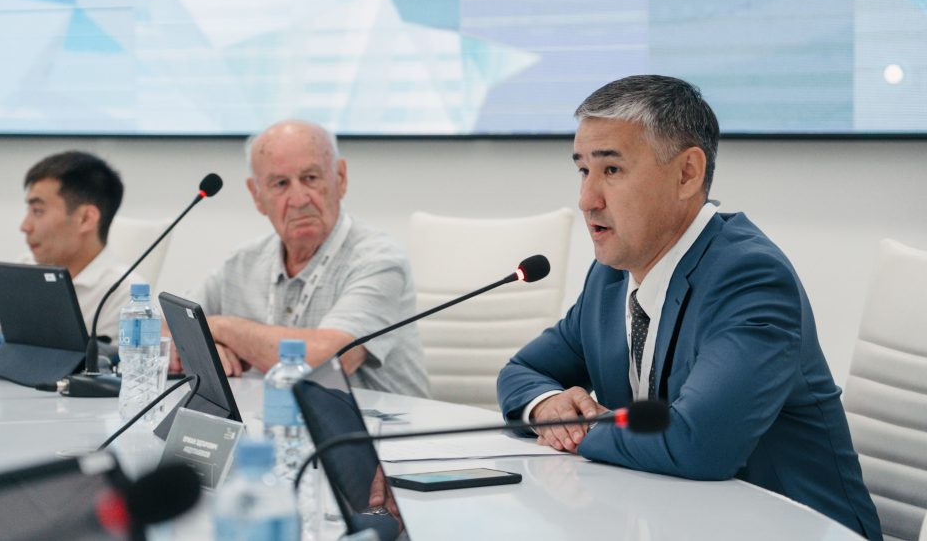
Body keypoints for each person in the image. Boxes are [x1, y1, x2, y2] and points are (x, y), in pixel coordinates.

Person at [497, 76, 882, 540]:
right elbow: (523, 372)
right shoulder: (611, 277)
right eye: (583, 171)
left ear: (687, 174)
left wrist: (579, 426)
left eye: (611, 170)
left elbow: (698, 442)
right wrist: (546, 406)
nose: (587, 200)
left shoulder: (750, 278)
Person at [185, 120, 428, 397]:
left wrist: (219, 327)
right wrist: (205, 348)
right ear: (257, 196)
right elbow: (166, 329)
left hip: (375, 423)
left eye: (310, 178)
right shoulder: (242, 263)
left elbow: (325, 362)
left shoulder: (378, 261)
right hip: (269, 420)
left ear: (340, 178)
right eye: (280, 184)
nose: (299, 199)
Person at [2, 151, 140, 340]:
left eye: (38, 211)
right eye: (29, 210)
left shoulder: (126, 296)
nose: (25, 226)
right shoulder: (25, 269)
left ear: (85, 219)